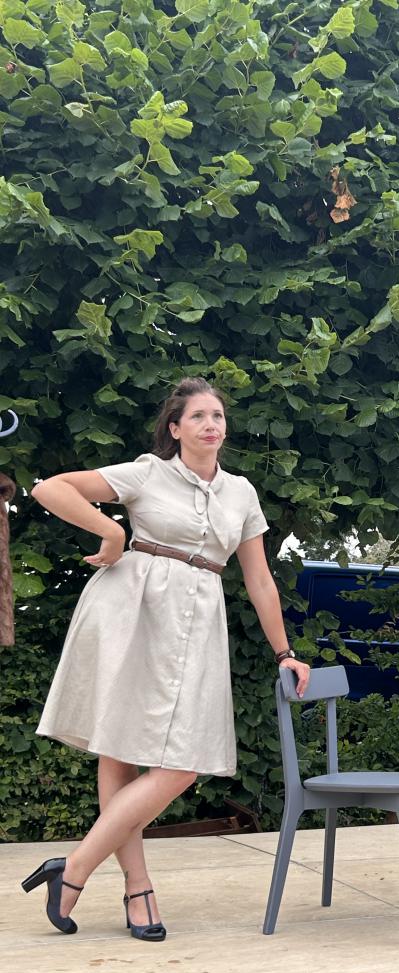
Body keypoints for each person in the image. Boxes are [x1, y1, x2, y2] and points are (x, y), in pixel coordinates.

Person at [22, 377, 309, 941]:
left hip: (199, 619)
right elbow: (50, 488)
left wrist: (285, 652)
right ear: (175, 429)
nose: (211, 424)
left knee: (183, 763)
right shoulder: (147, 473)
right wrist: (110, 530)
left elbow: (259, 580)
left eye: (218, 415)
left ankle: (73, 867)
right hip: (131, 608)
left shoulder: (241, 493)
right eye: (198, 416)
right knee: (119, 751)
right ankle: (138, 888)